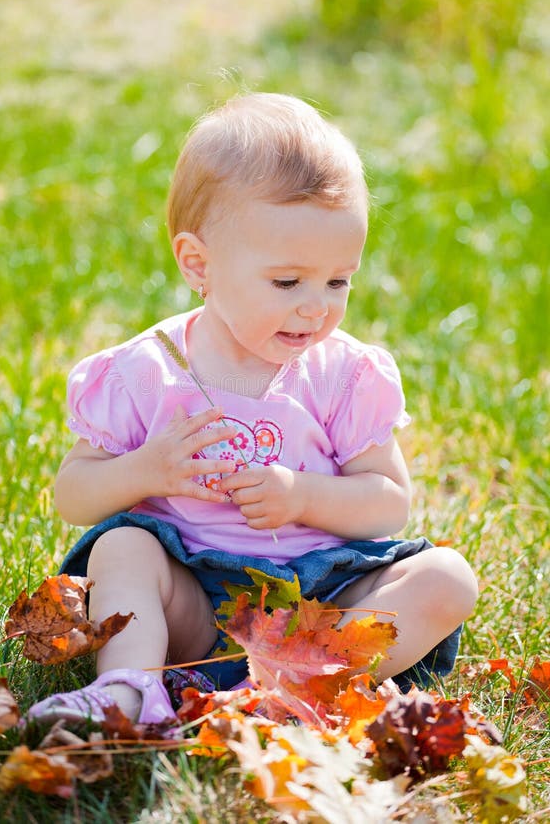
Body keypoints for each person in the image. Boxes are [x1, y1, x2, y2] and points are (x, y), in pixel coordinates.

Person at [28, 93, 478, 726]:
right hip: (192, 602)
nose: (316, 306)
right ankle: (128, 690)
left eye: (338, 280)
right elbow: (73, 495)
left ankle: (297, 692)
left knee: (449, 578)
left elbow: (388, 502)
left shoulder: (342, 373)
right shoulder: (145, 371)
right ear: (198, 264)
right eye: (288, 282)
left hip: (320, 599)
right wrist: (144, 472)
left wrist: (302, 497)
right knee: (123, 548)